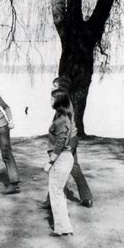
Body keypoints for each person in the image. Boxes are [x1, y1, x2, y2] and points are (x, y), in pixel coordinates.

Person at [39, 77, 93, 208]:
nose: (52, 88)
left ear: (60, 87)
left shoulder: (63, 103)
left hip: (68, 140)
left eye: (54, 85)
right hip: (71, 138)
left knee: (59, 168)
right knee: (73, 168)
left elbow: (64, 127)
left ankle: (52, 201)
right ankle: (86, 197)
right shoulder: (65, 101)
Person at [43, 90, 75, 237]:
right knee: (58, 193)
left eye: (52, 99)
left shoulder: (62, 120)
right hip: (64, 158)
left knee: (56, 192)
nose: (50, 101)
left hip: (61, 158)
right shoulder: (63, 117)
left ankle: (62, 228)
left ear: (59, 101)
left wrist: (50, 162)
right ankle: (64, 226)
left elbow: (60, 142)